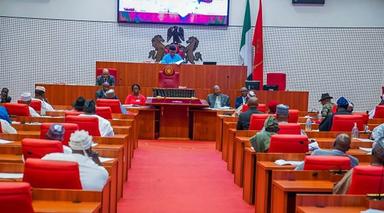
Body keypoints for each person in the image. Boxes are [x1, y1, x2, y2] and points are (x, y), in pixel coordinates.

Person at [42, 130, 109, 191]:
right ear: (89, 149)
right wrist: (98, 163)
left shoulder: (49, 157)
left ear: (70, 145)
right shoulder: (101, 172)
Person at [333, 124, 384, 194]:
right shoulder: (354, 164)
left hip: (352, 203)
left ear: (372, 154)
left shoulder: (355, 172)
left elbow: (337, 192)